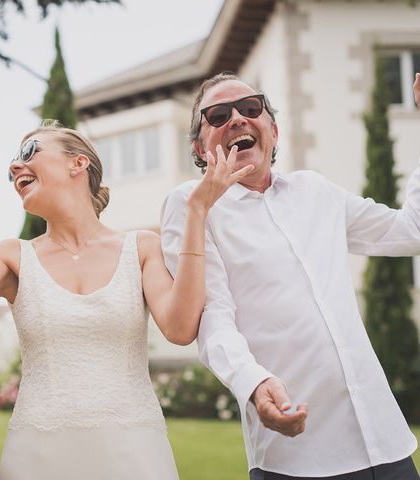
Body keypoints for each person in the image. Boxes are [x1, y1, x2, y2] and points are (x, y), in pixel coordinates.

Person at [0, 96, 253, 479]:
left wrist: (197, 213)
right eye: (12, 166)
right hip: (36, 457)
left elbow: (179, 328)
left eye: (29, 151)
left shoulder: (140, 247)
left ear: (79, 163)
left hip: (134, 453)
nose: (15, 166)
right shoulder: (12, 258)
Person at [161, 71, 420, 479]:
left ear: (274, 131)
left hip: (385, 440)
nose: (238, 119)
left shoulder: (316, 191)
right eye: (218, 115)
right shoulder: (189, 205)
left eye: (250, 109)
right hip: (297, 456)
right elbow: (212, 318)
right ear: (199, 145)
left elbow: (410, 231)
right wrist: (252, 382)